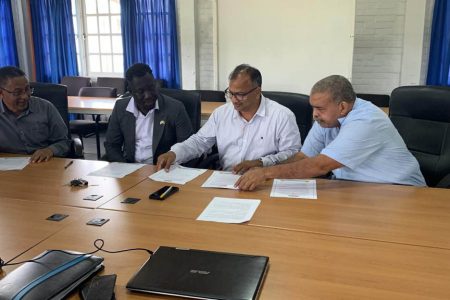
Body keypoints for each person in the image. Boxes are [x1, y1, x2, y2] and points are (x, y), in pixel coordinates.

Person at [236, 75, 426, 190]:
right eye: (313, 108)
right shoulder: (326, 119)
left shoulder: (366, 121)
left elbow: (319, 166)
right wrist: (261, 169)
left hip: (400, 191)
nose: (314, 115)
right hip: (354, 189)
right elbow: (304, 157)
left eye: (319, 108)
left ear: (342, 107)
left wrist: (266, 173)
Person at [157, 64, 301, 172]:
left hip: (265, 179)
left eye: (240, 94)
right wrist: (174, 153)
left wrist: (261, 163)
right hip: (227, 179)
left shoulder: (282, 116)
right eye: (230, 93)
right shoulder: (221, 113)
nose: (234, 99)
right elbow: (199, 141)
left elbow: (292, 154)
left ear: (257, 91)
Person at [104, 63, 193, 164]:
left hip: (163, 170)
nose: (148, 95)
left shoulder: (175, 108)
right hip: (130, 168)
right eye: (141, 91)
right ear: (130, 91)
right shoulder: (121, 107)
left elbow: (187, 147)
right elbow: (112, 145)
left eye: (151, 88)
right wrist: (124, 168)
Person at [0, 66, 71, 162]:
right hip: (9, 168)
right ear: (1, 93)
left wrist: (50, 150)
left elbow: (64, 141)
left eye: (27, 89)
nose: (25, 96)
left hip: (44, 163)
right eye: (17, 92)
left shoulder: (45, 107)